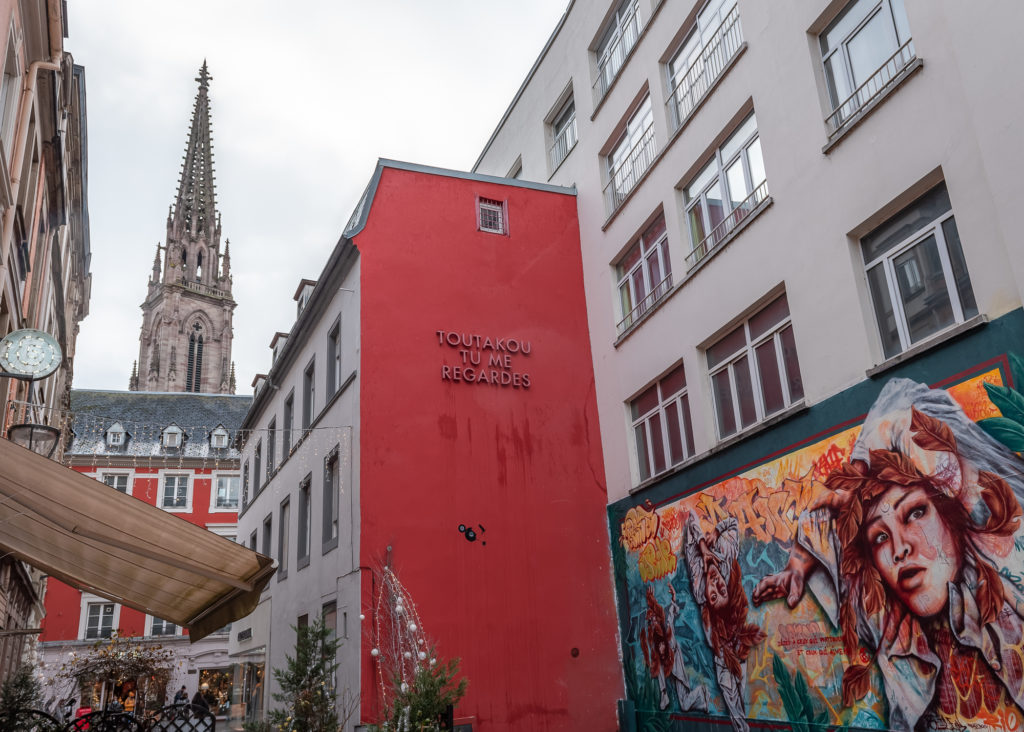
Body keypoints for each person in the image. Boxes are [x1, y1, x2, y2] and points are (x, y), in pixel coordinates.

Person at [753, 378, 1024, 731]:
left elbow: (904, 410)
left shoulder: (1006, 572)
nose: (899, 550)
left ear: (953, 514)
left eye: (915, 513)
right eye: (880, 537)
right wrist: (797, 566)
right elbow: (824, 525)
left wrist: (862, 468)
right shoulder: (891, 628)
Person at [684, 513, 765, 732]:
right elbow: (733, 521)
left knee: (741, 706)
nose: (715, 585)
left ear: (706, 602)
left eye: (714, 594)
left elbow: (692, 521)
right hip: (723, 658)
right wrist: (715, 534)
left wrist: (700, 546)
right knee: (737, 713)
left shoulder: (700, 587)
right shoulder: (727, 559)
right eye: (721, 591)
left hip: (736, 649)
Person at [640, 584, 711, 712]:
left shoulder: (667, 627)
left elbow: (673, 613)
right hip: (667, 666)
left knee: (684, 705)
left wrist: (674, 597)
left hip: (676, 663)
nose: (653, 622)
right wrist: (649, 601)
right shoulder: (654, 639)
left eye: (654, 619)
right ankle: (665, 694)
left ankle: (701, 690)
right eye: (651, 621)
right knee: (684, 705)